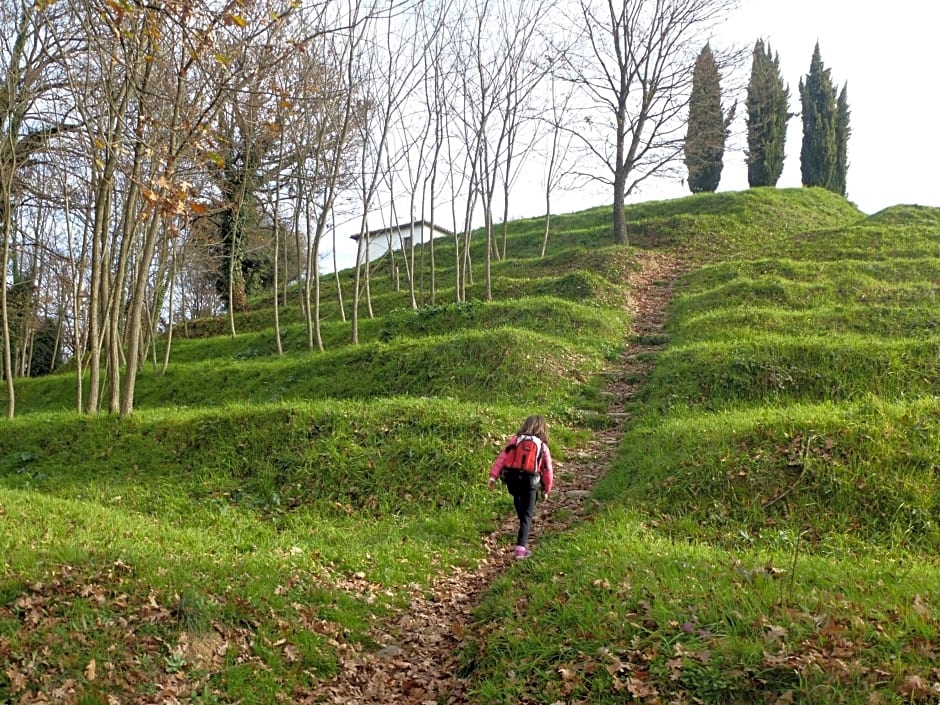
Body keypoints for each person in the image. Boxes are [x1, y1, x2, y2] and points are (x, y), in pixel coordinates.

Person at [487, 414, 554, 559]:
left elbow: (502, 459)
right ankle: (520, 550)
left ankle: (522, 531)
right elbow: (547, 469)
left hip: (512, 481)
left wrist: (493, 477)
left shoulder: (515, 441)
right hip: (530, 482)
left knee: (521, 510)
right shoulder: (542, 446)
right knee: (527, 517)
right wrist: (547, 488)